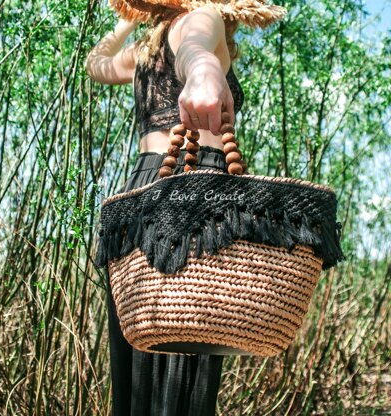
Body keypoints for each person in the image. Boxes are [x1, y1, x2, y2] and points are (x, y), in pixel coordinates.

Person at [85, 1, 286, 415]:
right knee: (188, 349)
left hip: (142, 190)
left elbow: (96, 63)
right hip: (194, 188)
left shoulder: (144, 52)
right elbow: (195, 47)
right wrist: (205, 71)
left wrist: (126, 25)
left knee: (141, 350)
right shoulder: (204, 16)